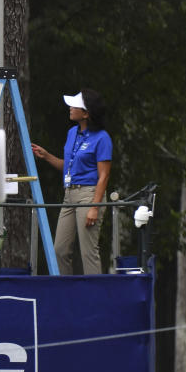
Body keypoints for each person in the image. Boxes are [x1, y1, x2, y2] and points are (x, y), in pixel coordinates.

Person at [31, 89, 112, 275]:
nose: (70, 108)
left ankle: (94, 298)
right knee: (59, 250)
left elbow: (104, 176)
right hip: (69, 195)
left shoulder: (102, 138)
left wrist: (95, 206)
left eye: (75, 105)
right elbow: (69, 166)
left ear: (86, 113)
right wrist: (47, 156)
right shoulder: (71, 133)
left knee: (88, 252)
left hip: (89, 195)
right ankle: (66, 294)